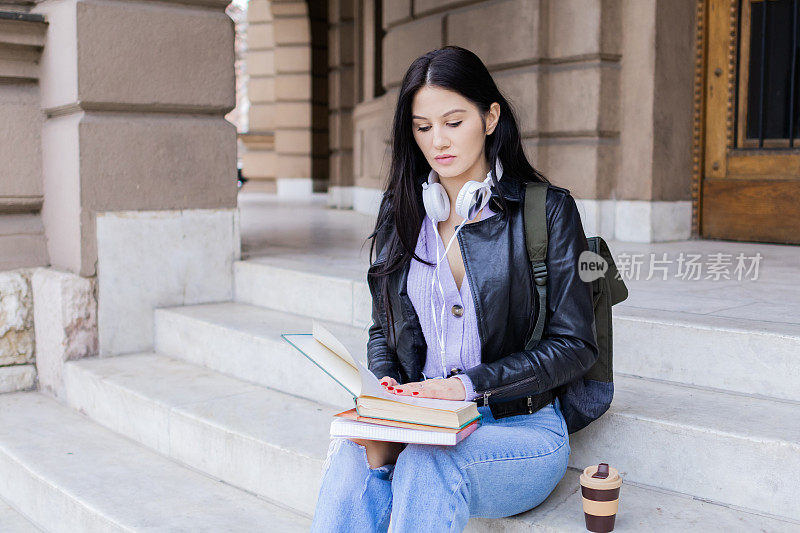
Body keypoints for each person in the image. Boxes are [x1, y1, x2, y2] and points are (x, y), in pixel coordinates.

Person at [310, 45, 598, 532]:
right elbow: (384, 327)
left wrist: (465, 387)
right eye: (423, 128)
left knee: (428, 460)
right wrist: (385, 389)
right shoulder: (400, 212)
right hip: (419, 421)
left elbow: (575, 345)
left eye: (453, 122)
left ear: (490, 118)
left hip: (518, 428)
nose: (438, 141)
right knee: (351, 456)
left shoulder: (546, 211)